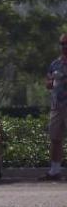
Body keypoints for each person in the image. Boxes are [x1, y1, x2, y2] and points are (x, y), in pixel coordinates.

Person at [41, 33, 67, 181]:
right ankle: (55, 170)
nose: (64, 47)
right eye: (62, 44)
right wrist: (51, 83)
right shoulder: (55, 64)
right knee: (55, 138)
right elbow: (47, 83)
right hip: (57, 106)